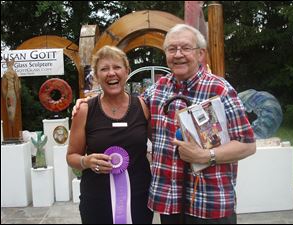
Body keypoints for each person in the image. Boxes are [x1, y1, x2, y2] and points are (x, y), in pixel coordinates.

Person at [73, 24, 256, 224]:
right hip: (170, 204)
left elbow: (247, 145)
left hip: (210, 203)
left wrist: (206, 155)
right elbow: (123, 105)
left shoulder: (220, 89)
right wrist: (86, 104)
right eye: (172, 49)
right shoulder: (156, 91)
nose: (178, 54)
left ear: (201, 53)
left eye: (186, 48)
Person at [66, 45, 153, 224]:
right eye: (104, 69)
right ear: (97, 77)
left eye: (117, 67)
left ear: (127, 71)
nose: (111, 73)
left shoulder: (143, 106)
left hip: (139, 196)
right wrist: (86, 161)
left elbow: (161, 144)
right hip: (97, 198)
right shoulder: (84, 110)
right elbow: (71, 156)